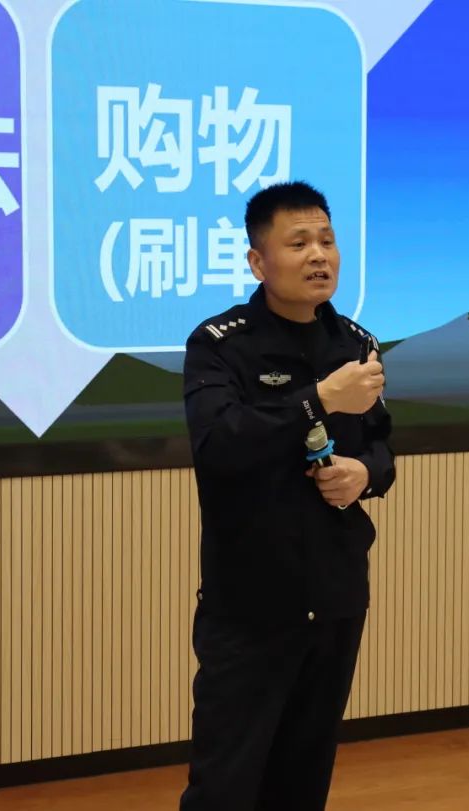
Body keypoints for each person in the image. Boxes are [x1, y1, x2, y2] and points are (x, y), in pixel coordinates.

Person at [179, 181, 395, 810]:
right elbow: (220, 445)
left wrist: (364, 474)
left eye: (326, 240)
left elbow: (383, 450)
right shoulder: (220, 345)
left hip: (336, 593)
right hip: (252, 602)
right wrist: (319, 400)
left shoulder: (355, 344)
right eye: (298, 243)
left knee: (303, 777)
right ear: (258, 261)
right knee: (226, 784)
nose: (318, 255)